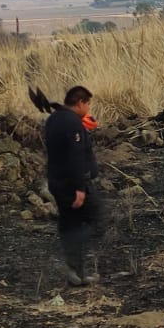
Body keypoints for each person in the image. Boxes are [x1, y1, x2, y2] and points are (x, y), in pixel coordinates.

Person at [44, 85, 103, 286]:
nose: (88, 109)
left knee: (70, 223)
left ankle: (76, 273)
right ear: (80, 103)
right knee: (97, 220)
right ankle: (71, 259)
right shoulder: (73, 123)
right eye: (88, 104)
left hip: (56, 181)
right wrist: (79, 189)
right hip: (73, 184)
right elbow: (75, 157)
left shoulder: (53, 119)